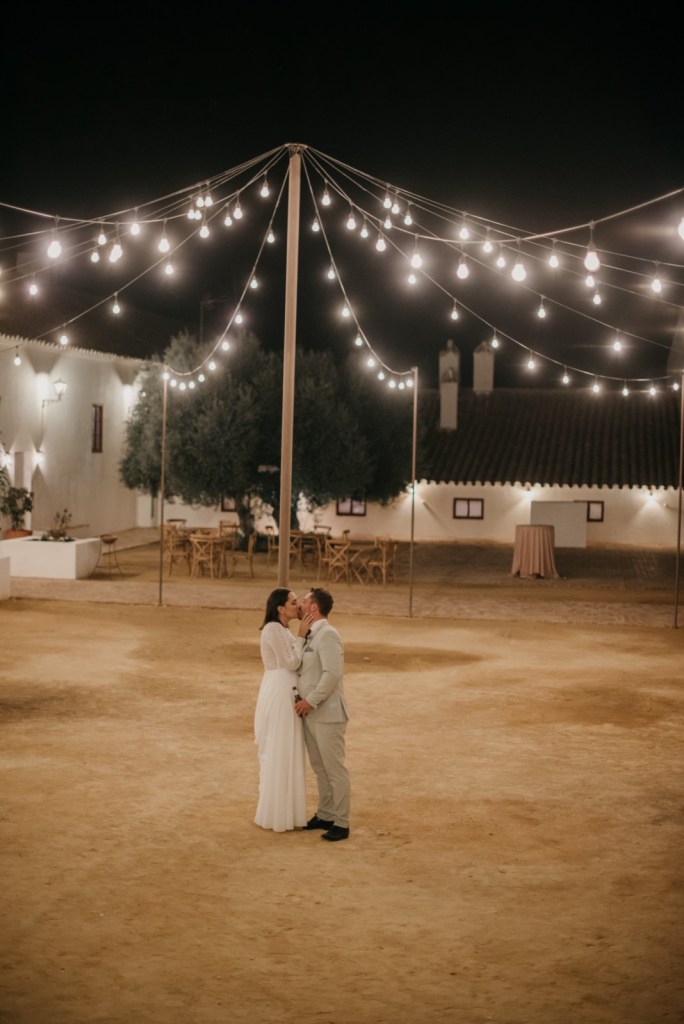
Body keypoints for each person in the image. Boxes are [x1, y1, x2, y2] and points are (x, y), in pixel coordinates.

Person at [254, 588, 313, 832]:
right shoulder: (273, 629)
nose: (298, 606)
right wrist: (301, 636)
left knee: (288, 749)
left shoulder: (282, 629)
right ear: (280, 608)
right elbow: (290, 662)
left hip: (286, 690)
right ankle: (277, 814)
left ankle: (288, 813)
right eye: (293, 602)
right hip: (279, 692)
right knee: (280, 748)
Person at [294, 588, 350, 842]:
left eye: (304, 601)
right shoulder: (311, 633)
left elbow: (332, 674)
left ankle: (342, 822)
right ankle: (326, 814)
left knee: (334, 769)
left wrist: (310, 701)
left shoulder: (328, 634)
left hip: (328, 714)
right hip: (312, 713)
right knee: (320, 767)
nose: (300, 605)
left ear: (314, 608)